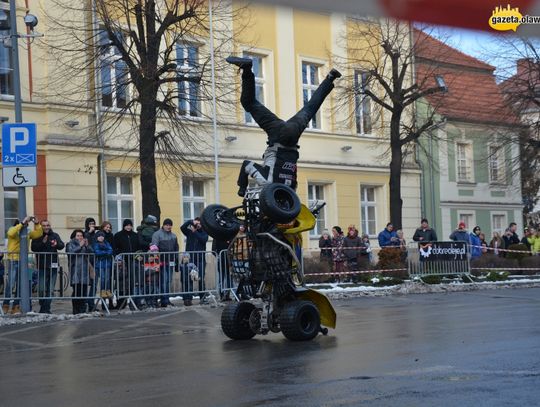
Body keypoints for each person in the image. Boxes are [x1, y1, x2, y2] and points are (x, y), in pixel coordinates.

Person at [227, 55, 341, 196]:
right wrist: (242, 187)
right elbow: (246, 165)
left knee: (310, 108)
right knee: (249, 103)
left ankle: (330, 78)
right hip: (277, 134)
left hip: (293, 136)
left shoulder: (291, 187)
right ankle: (247, 69)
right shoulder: (266, 182)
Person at [2, 217, 43, 315]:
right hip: (13, 260)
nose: (26, 227)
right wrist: (22, 223)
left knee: (20, 284)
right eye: (25, 225)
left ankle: (16, 306)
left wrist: (37, 224)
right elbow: (10, 233)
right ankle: (5, 305)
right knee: (11, 284)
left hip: (23, 261)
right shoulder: (14, 231)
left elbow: (38, 233)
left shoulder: (27, 233)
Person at [31, 219, 65, 314]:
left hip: (53, 265)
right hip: (41, 266)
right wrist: (43, 242)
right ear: (41, 226)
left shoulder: (55, 235)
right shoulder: (36, 235)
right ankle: (44, 306)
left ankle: (45, 309)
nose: (46, 227)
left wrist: (56, 244)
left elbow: (62, 245)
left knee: (50, 289)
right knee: (41, 289)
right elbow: (33, 248)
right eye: (44, 225)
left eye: (48, 225)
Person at [114, 219, 141, 308]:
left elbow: (138, 247)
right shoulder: (118, 235)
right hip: (122, 263)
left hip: (133, 261)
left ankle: (133, 302)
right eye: (127, 225)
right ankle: (121, 302)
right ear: (124, 226)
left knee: (133, 281)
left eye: (130, 225)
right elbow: (115, 248)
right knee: (122, 282)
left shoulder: (135, 235)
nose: (128, 227)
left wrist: (138, 255)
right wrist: (120, 255)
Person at [152, 218, 179, 307]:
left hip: (170, 261)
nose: (168, 226)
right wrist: (156, 262)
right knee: (164, 280)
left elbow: (176, 249)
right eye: (166, 225)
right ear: (163, 225)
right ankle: (164, 300)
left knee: (169, 281)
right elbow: (154, 248)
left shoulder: (174, 236)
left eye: (170, 225)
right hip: (161, 262)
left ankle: (166, 299)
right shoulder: (157, 234)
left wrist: (176, 262)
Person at [181, 217, 209, 302]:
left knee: (200, 278)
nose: (198, 225)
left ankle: (203, 298)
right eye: (197, 223)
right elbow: (182, 228)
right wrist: (190, 221)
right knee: (188, 279)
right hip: (190, 260)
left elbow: (203, 239)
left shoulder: (204, 232)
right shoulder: (189, 231)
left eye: (199, 224)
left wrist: (196, 231)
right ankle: (187, 298)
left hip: (200, 260)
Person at [66, 229, 93, 314]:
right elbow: (70, 253)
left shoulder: (85, 244)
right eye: (78, 235)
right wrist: (80, 246)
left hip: (84, 271)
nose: (80, 237)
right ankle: (76, 309)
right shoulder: (70, 244)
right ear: (74, 236)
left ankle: (82, 309)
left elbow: (92, 253)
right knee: (77, 291)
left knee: (84, 291)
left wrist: (87, 246)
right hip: (75, 271)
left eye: (81, 236)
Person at [92, 231, 113, 300]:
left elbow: (110, 250)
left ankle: (108, 290)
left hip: (107, 264)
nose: (101, 237)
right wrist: (105, 253)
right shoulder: (96, 244)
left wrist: (104, 253)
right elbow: (97, 252)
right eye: (99, 236)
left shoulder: (107, 243)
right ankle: (102, 291)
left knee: (107, 278)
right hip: (100, 264)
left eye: (102, 236)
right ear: (97, 237)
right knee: (103, 278)